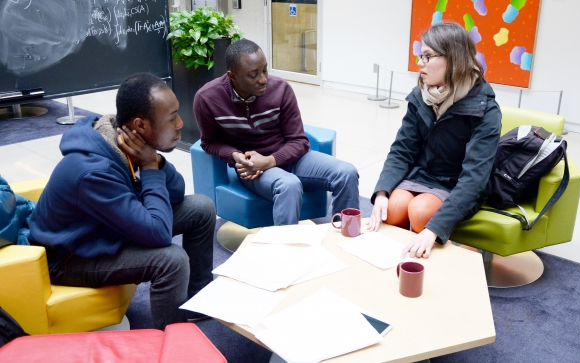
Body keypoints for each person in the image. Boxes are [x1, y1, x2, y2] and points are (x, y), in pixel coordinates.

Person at [28, 73, 216, 330]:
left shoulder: (127, 143)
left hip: (106, 229)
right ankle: (171, 341)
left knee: (201, 207)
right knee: (171, 259)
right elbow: (159, 234)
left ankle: (196, 301)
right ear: (140, 125)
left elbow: (176, 191)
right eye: (171, 118)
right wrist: (149, 168)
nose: (181, 123)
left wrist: (156, 162)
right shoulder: (93, 171)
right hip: (70, 257)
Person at [367, 22, 501, 259]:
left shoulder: (485, 109)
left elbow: (474, 177)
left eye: (428, 57)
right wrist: (382, 192)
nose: (420, 63)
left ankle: (423, 271)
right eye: (421, 55)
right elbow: (402, 150)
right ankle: (392, 264)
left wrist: (433, 230)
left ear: (454, 59)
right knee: (393, 207)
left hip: (456, 184)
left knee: (421, 212)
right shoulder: (421, 96)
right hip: (422, 176)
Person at [194, 39, 359, 225]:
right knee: (289, 185)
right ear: (232, 76)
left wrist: (269, 161)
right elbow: (209, 142)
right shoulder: (207, 98)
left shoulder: (281, 89)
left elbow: (299, 141)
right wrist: (236, 156)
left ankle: (345, 239)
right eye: (253, 75)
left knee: (347, 172)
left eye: (264, 70)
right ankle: (284, 251)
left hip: (291, 159)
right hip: (253, 170)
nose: (263, 79)